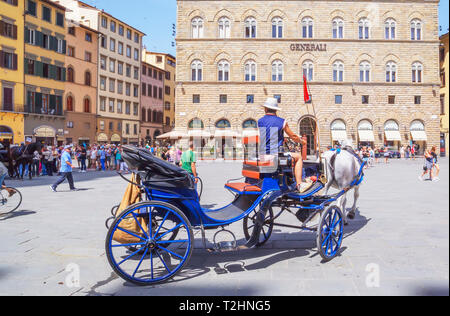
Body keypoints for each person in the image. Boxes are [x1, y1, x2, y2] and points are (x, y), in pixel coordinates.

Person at [258, 97, 308, 192]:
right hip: (275, 155)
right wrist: (302, 141)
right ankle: (299, 184)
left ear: (265, 109)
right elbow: (293, 136)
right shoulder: (282, 121)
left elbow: (268, 135)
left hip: (263, 155)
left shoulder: (260, 121)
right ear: (276, 110)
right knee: (298, 157)